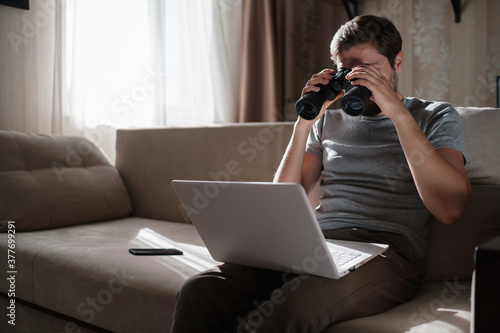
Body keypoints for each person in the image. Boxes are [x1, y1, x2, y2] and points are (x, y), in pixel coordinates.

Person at [170, 15, 471, 333]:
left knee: (296, 307)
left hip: (388, 252)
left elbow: (450, 209)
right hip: (316, 244)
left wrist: (396, 112)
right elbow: (282, 201)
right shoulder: (330, 122)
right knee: (201, 291)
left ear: (397, 62)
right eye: (348, 72)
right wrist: (305, 122)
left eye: (368, 70)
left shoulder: (434, 116)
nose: (357, 82)